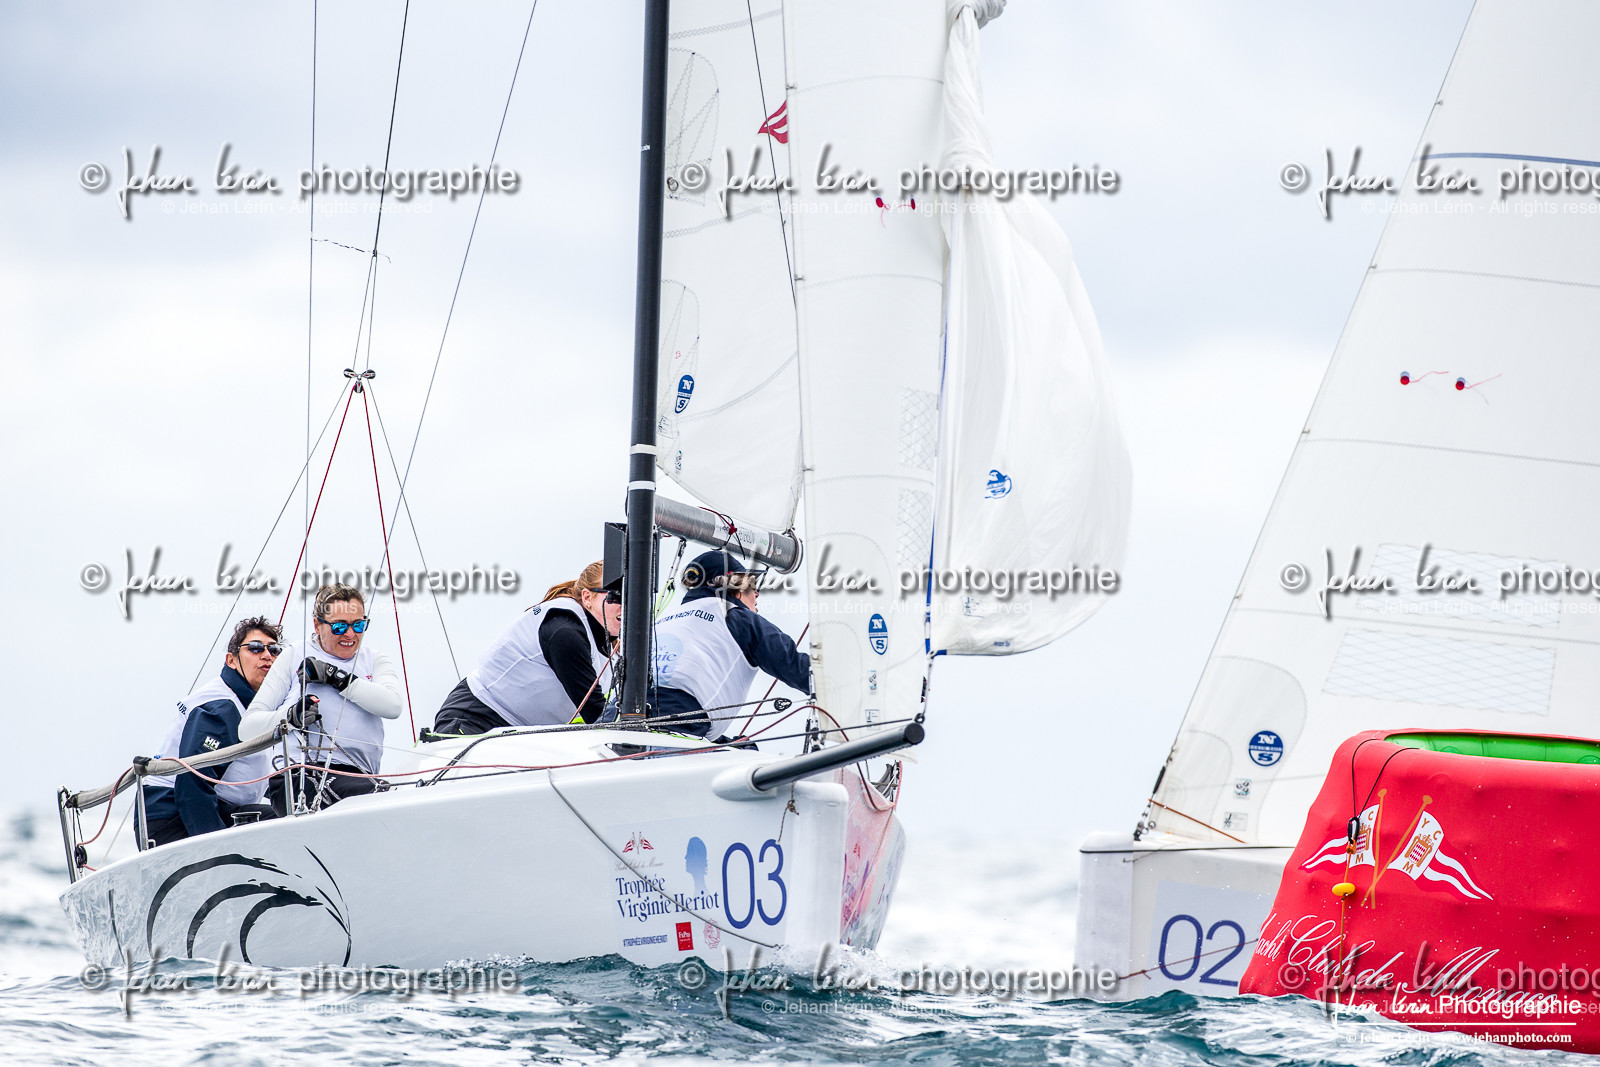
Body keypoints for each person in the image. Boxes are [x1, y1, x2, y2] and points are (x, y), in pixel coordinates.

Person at [240, 583, 404, 813]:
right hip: (300, 776)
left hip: (361, 778)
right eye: (339, 627)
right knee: (379, 799)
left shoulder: (375, 659)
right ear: (317, 624)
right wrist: (292, 717)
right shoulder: (294, 655)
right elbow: (247, 729)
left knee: (397, 798)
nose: (350, 634)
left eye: (358, 625)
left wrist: (335, 678)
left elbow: (393, 706)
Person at [431, 561, 620, 735]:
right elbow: (597, 713)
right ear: (587, 597)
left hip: (520, 737)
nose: (625, 604)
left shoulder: (616, 649)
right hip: (476, 718)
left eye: (633, 595)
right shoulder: (564, 630)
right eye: (615, 595)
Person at [143, 617, 283, 846]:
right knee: (282, 826)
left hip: (209, 808)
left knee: (289, 821)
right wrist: (216, 849)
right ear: (231, 660)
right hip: (171, 818)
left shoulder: (253, 708)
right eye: (256, 648)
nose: (267, 655)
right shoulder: (222, 708)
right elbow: (192, 784)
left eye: (274, 650)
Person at [651, 550, 810, 741]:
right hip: (680, 720)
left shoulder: (664, 619)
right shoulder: (738, 618)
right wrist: (847, 685)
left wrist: (727, 744)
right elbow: (797, 667)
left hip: (618, 717)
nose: (757, 593)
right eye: (751, 585)